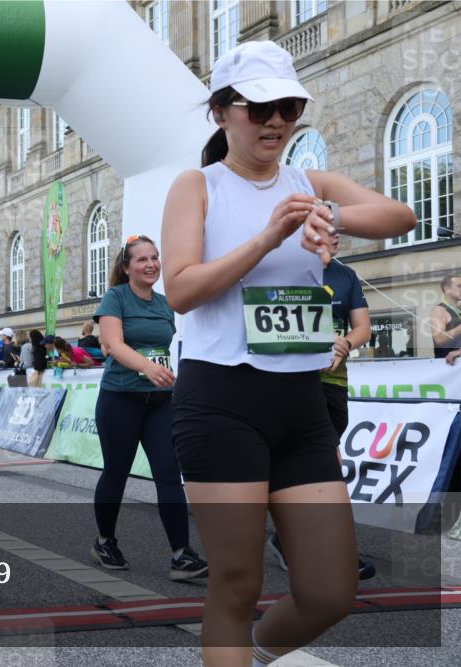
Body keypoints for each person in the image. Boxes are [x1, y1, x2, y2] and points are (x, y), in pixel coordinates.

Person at [161, 41, 416, 666]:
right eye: (261, 107)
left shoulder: (310, 183)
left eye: (291, 106)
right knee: (238, 581)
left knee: (332, 590)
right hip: (221, 399)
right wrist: (269, 234)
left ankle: (255, 650)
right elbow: (182, 289)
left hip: (301, 404)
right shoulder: (197, 185)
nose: (277, 120)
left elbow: (401, 214)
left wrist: (330, 213)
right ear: (221, 113)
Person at [91, 235, 208, 580]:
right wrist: (147, 366)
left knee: (169, 475)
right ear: (126, 267)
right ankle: (104, 541)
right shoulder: (116, 297)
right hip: (120, 399)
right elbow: (113, 344)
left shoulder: (164, 302)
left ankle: (181, 555)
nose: (151, 264)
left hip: (159, 403)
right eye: (142, 259)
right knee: (117, 471)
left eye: (155, 257)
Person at [266, 234, 376, 579]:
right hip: (293, 380)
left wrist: (344, 343)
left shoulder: (346, 275)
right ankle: (334, 549)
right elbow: (267, 323)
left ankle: (290, 540)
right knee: (325, 462)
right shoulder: (285, 271)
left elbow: (364, 328)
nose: (335, 237)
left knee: (316, 462)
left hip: (334, 381)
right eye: (326, 230)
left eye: (337, 232)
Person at [431, 273, 461, 365]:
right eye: (459, 286)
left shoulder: (458, 310)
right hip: (449, 370)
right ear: (447, 289)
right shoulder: (440, 310)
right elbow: (439, 339)